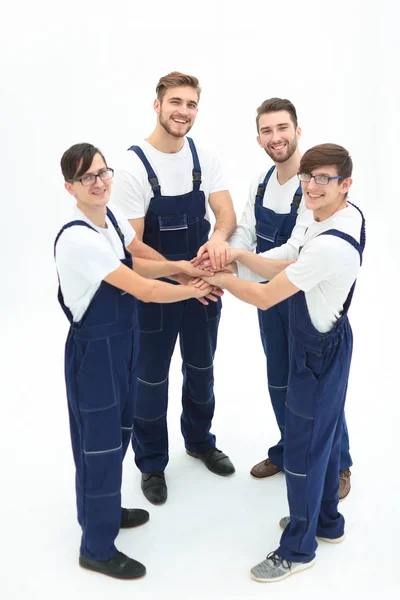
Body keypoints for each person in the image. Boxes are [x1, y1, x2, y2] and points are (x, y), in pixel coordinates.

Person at [199, 143, 365, 582]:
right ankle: (326, 522)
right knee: (324, 441)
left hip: (317, 350)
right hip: (325, 335)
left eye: (323, 179)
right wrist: (235, 256)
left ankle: (299, 547)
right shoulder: (330, 213)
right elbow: (290, 255)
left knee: (304, 451)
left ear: (345, 184)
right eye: (308, 177)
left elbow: (266, 294)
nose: (311, 186)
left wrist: (219, 278)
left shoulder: (333, 245)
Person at [54, 143, 215, 579]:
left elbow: (139, 256)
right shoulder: (78, 237)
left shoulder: (108, 219)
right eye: (87, 177)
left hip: (122, 342)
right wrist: (194, 288)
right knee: (99, 444)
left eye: (103, 172)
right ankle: (97, 548)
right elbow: (142, 287)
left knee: (119, 431)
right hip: (96, 351)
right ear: (70, 187)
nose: (100, 181)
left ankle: (101, 511)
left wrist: (183, 268)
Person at [112, 71, 237, 505]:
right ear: (157, 105)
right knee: (149, 380)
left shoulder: (204, 156)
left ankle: (200, 441)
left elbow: (225, 215)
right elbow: (133, 249)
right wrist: (182, 273)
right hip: (155, 296)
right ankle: (151, 463)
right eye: (175, 102)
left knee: (202, 371)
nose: (183, 111)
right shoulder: (131, 167)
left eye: (191, 104)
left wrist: (218, 243)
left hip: (204, 286)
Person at [228, 98, 352, 499]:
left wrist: (235, 266)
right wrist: (226, 255)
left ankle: (339, 463)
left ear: (298, 131)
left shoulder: (311, 188)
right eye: (267, 130)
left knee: (317, 387)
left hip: (301, 296)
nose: (275, 137)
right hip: (267, 296)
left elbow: (294, 254)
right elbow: (245, 232)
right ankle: (291, 449)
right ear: (259, 137)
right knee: (279, 379)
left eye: (283, 128)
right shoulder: (260, 184)